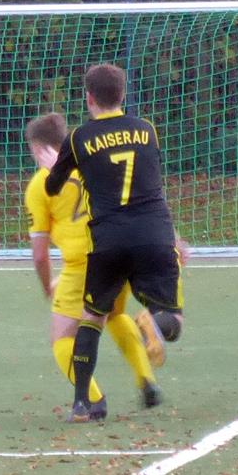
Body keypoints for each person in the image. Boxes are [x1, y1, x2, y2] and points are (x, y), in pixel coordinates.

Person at [38, 63, 185, 423]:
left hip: (108, 240)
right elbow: (150, 179)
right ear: (123, 94)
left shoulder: (79, 138)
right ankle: (153, 323)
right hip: (153, 234)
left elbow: (53, 186)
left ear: (88, 98)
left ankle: (81, 404)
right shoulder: (147, 130)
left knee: (91, 318)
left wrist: (60, 167)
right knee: (173, 319)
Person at [24, 112, 162, 421]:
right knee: (113, 315)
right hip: (120, 253)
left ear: (39, 148)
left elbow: (40, 255)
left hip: (83, 265)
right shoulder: (95, 163)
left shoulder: (40, 185)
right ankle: (147, 380)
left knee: (61, 338)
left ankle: (93, 401)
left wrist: (47, 287)